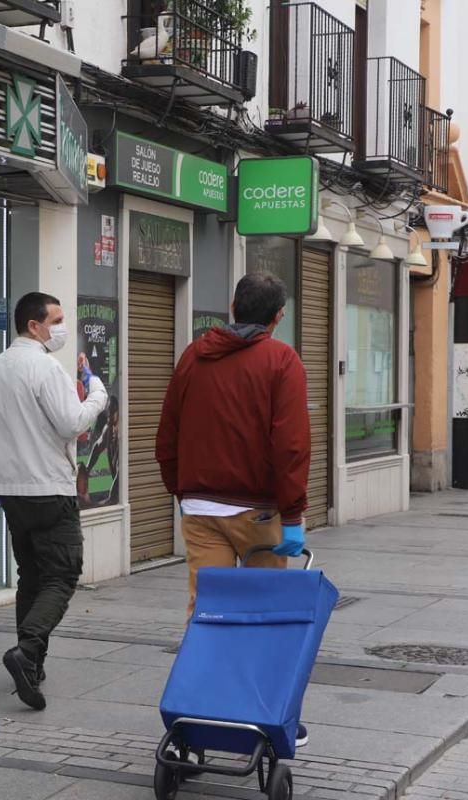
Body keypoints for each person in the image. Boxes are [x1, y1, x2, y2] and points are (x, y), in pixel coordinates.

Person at [155, 272, 311, 746]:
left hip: (200, 508)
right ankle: (260, 714)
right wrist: (294, 516)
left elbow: (168, 433)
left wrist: (181, 491)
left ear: (233, 306)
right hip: (260, 511)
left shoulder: (193, 357)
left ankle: (196, 709)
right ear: (277, 316)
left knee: (205, 613)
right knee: (263, 616)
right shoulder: (281, 360)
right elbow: (290, 445)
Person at [0, 292, 108, 710]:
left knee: (30, 575)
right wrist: (97, 392)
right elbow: (72, 422)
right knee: (63, 574)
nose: (62, 327)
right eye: (57, 319)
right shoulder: (45, 367)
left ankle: (32, 663)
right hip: (49, 488)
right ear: (35, 325)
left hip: (14, 491)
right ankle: (28, 650)